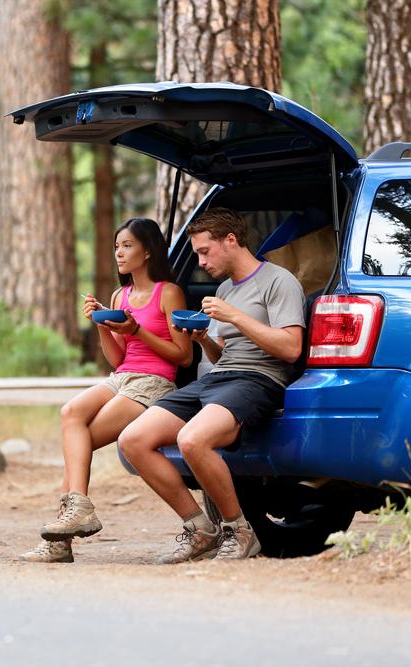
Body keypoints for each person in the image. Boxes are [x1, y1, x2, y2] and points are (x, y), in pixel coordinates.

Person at [117, 207, 306, 562]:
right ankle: (200, 529)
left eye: (205, 251)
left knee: (193, 440)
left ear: (231, 241)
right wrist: (204, 339)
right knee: (133, 439)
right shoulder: (224, 289)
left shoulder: (279, 281)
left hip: (258, 379)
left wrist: (233, 315)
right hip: (220, 377)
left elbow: (291, 348)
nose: (201, 262)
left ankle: (240, 531)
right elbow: (222, 357)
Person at [20, 218, 192, 563]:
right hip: (122, 377)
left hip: (153, 382)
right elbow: (117, 358)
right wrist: (101, 325)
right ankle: (75, 515)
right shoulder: (120, 295)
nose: (119, 253)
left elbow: (183, 356)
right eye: (116, 246)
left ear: (147, 251)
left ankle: (60, 540)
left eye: (127, 245)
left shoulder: (168, 292)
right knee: (70, 414)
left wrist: (136, 329)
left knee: (77, 446)